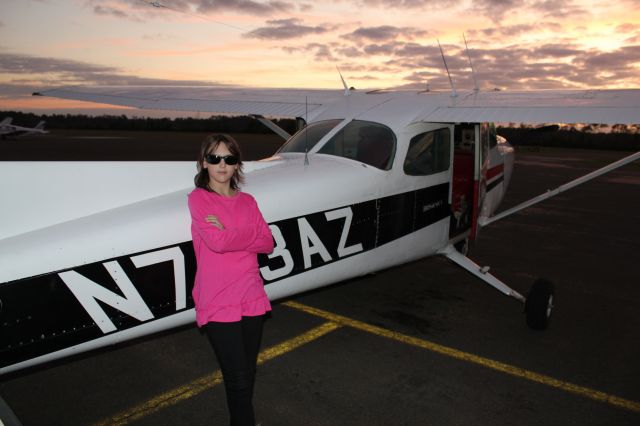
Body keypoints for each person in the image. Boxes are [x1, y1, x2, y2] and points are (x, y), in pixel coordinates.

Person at [188, 133, 274, 426]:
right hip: (218, 298)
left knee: (247, 373)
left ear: (237, 164)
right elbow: (217, 242)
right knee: (237, 379)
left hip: (250, 295)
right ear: (203, 163)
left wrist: (230, 231)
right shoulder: (199, 199)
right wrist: (247, 234)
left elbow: (268, 242)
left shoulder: (248, 201)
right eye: (214, 158)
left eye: (229, 158)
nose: (222, 164)